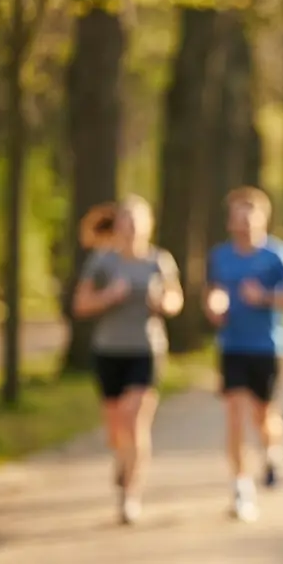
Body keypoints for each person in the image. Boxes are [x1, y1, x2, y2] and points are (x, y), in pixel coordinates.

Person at [72, 195, 183, 525]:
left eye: (138, 221)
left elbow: (175, 300)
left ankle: (130, 496)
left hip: (146, 350)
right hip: (108, 350)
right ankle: (122, 459)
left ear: (149, 225)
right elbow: (80, 304)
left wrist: (162, 302)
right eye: (126, 220)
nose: (132, 227)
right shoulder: (102, 261)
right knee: (116, 427)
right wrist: (108, 296)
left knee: (134, 421)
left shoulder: (159, 261)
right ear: (118, 225)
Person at [203, 186, 283, 523]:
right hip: (232, 346)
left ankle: (271, 453)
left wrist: (264, 297)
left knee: (264, 416)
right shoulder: (220, 256)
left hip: (268, 347)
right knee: (235, 413)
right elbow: (213, 292)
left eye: (250, 219)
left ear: (263, 220)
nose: (245, 225)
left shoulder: (278, 255)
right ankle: (241, 487)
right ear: (230, 222)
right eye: (239, 219)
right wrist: (214, 305)